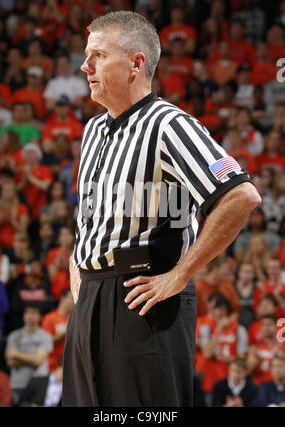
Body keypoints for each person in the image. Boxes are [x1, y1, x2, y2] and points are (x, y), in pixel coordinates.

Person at [63, 11, 261, 408]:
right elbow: (89, 221)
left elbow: (241, 196)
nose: (85, 66)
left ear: (136, 63)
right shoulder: (93, 130)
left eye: (98, 55)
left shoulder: (169, 124)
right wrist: (80, 275)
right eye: (87, 55)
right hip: (91, 300)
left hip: (145, 300)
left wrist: (179, 276)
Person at [5, 303, 53, 406]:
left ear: (40, 317)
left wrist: (17, 354)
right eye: (27, 313)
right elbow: (10, 361)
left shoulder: (46, 336)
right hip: (18, 382)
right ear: (23, 316)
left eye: (34, 313)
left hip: (39, 382)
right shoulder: (14, 336)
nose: (30, 316)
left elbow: (38, 361)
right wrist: (33, 356)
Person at [41, 289, 74, 372]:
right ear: (63, 298)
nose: (74, 302)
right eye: (71, 298)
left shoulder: (74, 319)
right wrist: (65, 331)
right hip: (52, 365)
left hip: (70, 364)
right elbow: (45, 342)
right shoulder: (49, 318)